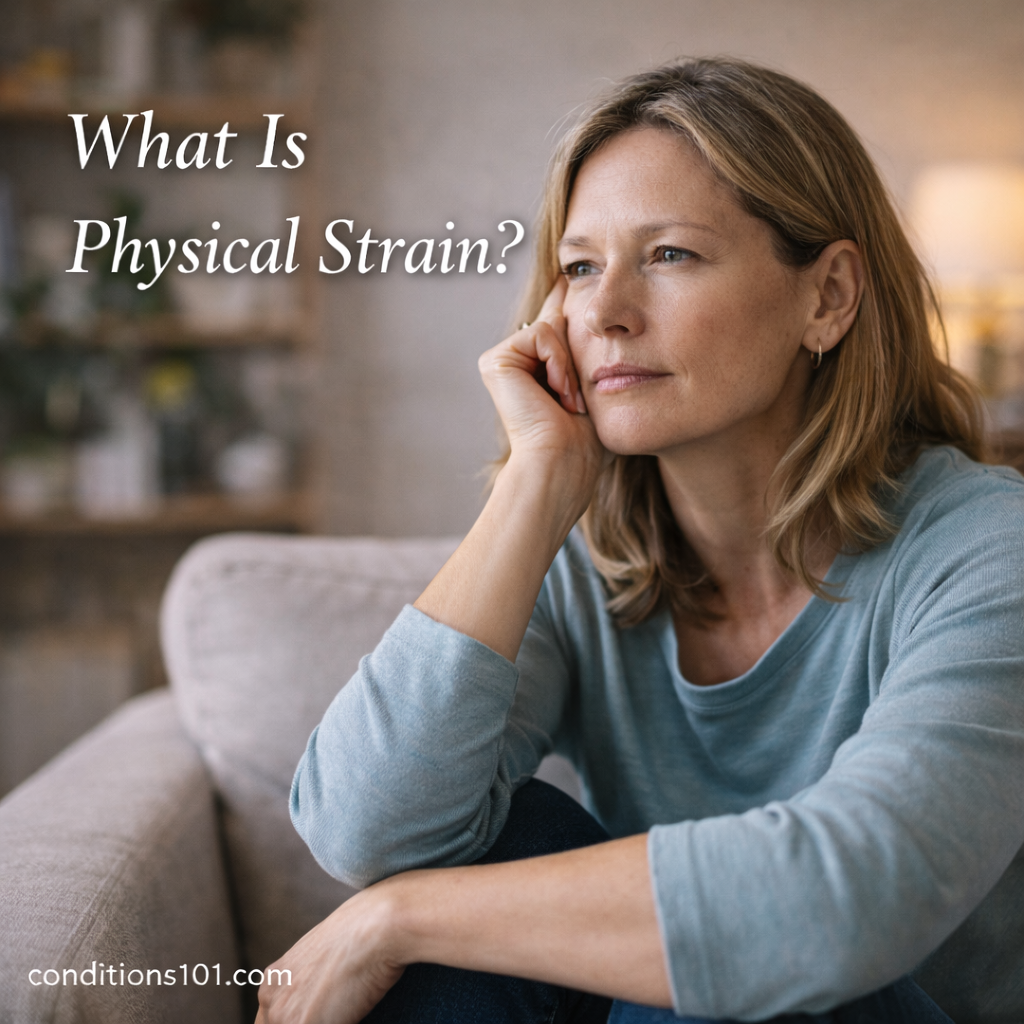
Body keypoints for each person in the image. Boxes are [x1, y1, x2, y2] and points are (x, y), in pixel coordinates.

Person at [256, 58, 1024, 1024]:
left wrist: (397, 919)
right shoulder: (582, 559)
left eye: (669, 255)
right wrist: (531, 491)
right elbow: (363, 831)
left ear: (827, 296)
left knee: (729, 964)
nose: (607, 312)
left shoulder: (991, 547)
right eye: (579, 268)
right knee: (503, 838)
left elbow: (840, 902)